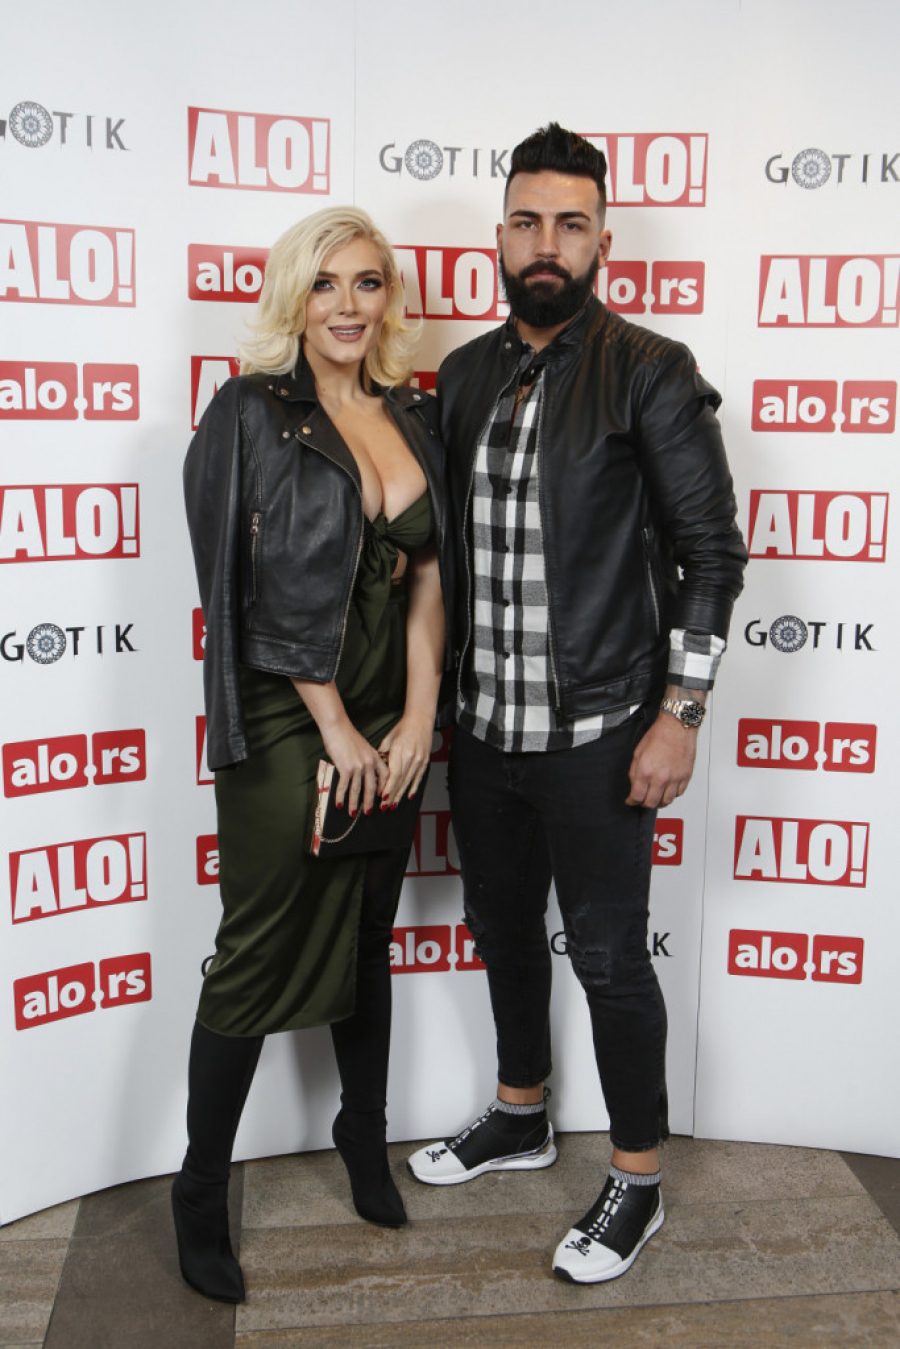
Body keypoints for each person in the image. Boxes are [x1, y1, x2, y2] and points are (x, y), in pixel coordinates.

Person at [407, 124, 747, 1284]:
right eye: (526, 221)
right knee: (503, 930)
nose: (544, 243)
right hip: (484, 728)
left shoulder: (648, 368)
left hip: (601, 731)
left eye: (569, 223)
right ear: (499, 236)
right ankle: (521, 1112)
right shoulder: (464, 374)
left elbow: (711, 554)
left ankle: (637, 1179)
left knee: (608, 957)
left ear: (604, 240)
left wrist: (679, 713)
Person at [179, 206, 451, 1303]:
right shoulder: (248, 413)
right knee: (257, 944)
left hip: (389, 710)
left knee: (366, 930)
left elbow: (429, 576)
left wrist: (419, 716)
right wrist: (334, 724)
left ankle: (361, 1132)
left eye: (368, 282)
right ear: (295, 296)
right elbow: (236, 590)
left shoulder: (413, 415)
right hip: (289, 712)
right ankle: (200, 1187)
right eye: (326, 283)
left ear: (390, 298)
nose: (348, 305)